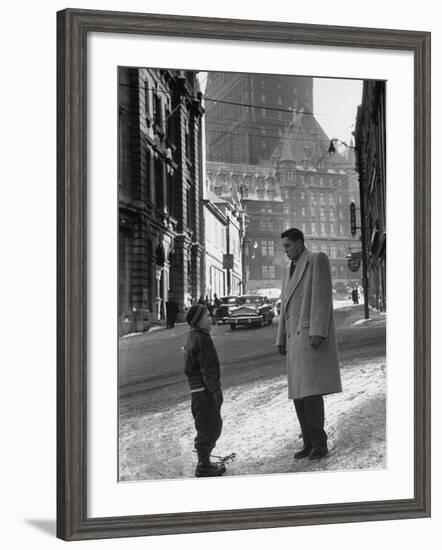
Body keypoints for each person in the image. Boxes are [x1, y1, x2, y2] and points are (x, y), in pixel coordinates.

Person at [276, 228, 342, 460]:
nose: (285, 251)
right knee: (299, 395)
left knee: (311, 394)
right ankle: (308, 442)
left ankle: (320, 443)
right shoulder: (288, 269)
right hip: (294, 340)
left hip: (309, 337)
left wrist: (317, 331)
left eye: (288, 246)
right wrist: (281, 337)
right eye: (283, 246)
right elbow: (285, 305)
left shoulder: (316, 259)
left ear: (300, 242)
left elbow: (322, 297)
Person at [184, 304, 226, 477]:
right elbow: (208, 369)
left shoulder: (193, 337)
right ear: (199, 321)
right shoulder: (202, 339)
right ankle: (203, 465)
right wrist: (216, 392)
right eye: (207, 316)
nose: (211, 318)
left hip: (197, 392)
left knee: (205, 426)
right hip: (204, 391)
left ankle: (205, 461)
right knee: (211, 426)